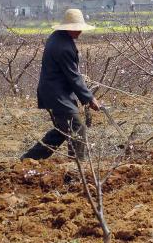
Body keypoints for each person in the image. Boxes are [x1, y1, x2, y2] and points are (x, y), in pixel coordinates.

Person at [20, 9, 101, 161]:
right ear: (68, 27)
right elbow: (73, 77)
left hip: (54, 91)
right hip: (56, 94)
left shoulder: (58, 38)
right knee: (77, 129)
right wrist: (90, 98)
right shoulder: (63, 46)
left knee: (62, 131)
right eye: (76, 28)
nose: (80, 31)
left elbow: (70, 72)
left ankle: (29, 159)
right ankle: (76, 168)